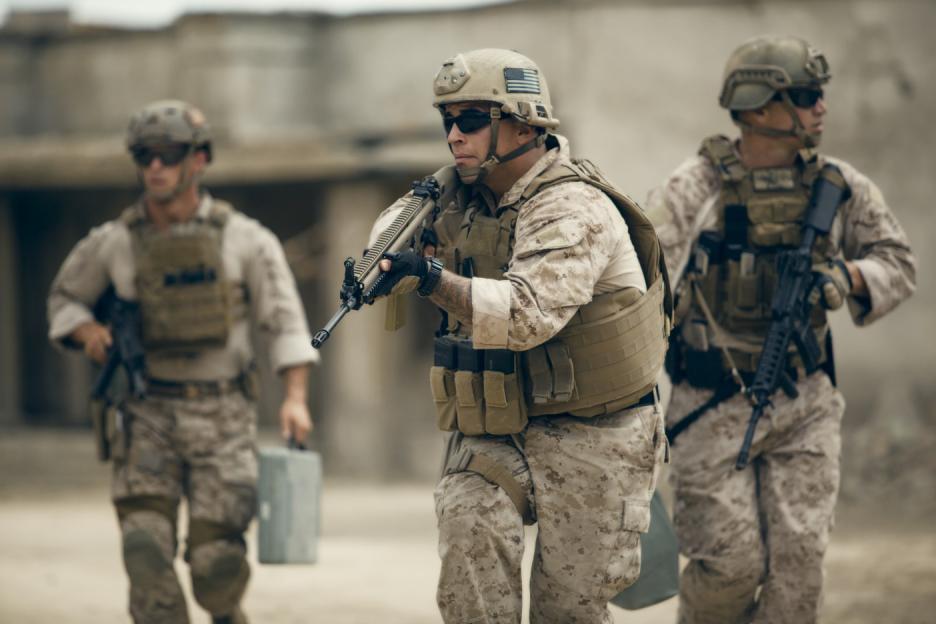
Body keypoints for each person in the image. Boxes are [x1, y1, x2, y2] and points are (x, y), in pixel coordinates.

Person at [369, 48, 672, 623]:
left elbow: (526, 315)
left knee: (567, 611)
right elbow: (377, 254)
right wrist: (427, 199)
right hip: (498, 425)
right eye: (447, 122)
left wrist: (433, 278)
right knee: (468, 528)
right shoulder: (459, 197)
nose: (455, 136)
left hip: (595, 435)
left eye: (472, 120)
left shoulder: (572, 206)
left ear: (522, 122)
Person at [646, 36, 916, 624]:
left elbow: (899, 262)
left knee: (799, 572)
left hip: (804, 402)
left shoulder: (838, 186)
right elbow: (642, 285)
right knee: (730, 568)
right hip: (710, 402)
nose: (822, 106)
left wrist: (849, 276)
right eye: (808, 95)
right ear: (761, 105)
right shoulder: (695, 188)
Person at [47, 100, 319, 624]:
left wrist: (296, 399)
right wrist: (87, 331)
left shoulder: (246, 239)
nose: (155, 166)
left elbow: (285, 322)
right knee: (144, 550)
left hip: (223, 416)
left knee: (217, 568)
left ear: (199, 160)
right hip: (147, 413)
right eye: (144, 155)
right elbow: (64, 298)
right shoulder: (114, 242)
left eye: (169, 154)